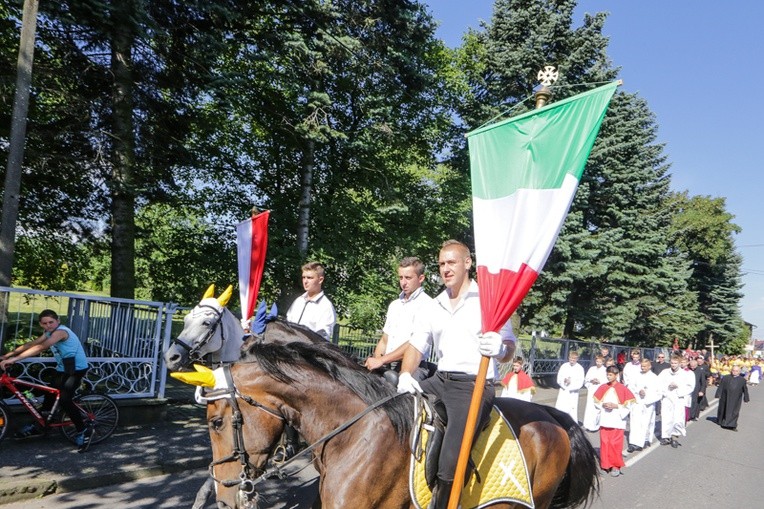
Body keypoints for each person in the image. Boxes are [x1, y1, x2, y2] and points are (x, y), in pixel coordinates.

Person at [396, 240, 516, 509]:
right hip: (440, 380)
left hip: (472, 386)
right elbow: (417, 345)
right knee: (391, 416)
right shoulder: (434, 304)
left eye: (451, 262)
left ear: (467, 263)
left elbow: (509, 347)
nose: (445, 269)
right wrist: (405, 374)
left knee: (450, 462)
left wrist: (499, 349)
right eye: (441, 264)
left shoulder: (489, 301)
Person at [0, 309, 91, 448]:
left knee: (65, 399)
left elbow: (41, 347)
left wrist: (15, 359)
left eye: (51, 322)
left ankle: (83, 430)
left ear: (58, 321)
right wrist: (8, 356)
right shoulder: (49, 332)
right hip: (63, 368)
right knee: (50, 393)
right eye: (45, 323)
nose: (48, 325)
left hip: (76, 370)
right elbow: (31, 344)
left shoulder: (61, 331)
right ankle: (41, 424)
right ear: (41, 324)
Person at [365, 257, 433, 381]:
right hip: (388, 363)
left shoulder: (427, 305)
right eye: (401, 277)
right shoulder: (395, 305)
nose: (403, 282)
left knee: (404, 396)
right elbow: (385, 340)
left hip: (414, 367)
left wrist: (381, 360)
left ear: (421, 278)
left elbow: (414, 344)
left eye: (408, 278)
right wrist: (376, 360)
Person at [593, 366, 635, 477]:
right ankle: (605, 465)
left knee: (614, 443)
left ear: (616, 375)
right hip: (605, 419)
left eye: (610, 375)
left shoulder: (623, 388)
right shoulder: (603, 387)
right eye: (607, 374)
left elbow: (629, 404)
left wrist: (616, 406)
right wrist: (603, 404)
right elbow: (596, 401)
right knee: (605, 443)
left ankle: (615, 466)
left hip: (617, 420)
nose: (608, 376)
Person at [285, 261, 337, 340]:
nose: (305, 281)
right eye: (303, 277)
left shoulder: (325, 307)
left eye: (309, 278)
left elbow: (322, 340)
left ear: (320, 280)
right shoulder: (298, 301)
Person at [657, 354, 695, 448]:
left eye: (675, 363)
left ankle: (675, 437)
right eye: (672, 363)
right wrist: (665, 390)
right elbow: (658, 383)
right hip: (667, 398)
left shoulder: (685, 374)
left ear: (679, 363)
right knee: (666, 418)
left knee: (678, 419)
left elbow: (690, 386)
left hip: (678, 398)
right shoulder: (665, 372)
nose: (673, 365)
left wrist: (678, 388)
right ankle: (666, 437)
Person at [626, 359, 660, 451]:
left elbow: (659, 392)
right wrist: (638, 391)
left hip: (647, 403)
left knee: (645, 423)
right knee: (634, 422)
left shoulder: (654, 377)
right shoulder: (636, 375)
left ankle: (642, 441)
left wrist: (647, 396)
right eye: (642, 366)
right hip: (637, 402)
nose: (643, 368)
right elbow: (630, 387)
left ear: (649, 366)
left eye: (645, 366)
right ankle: (633, 443)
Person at [715, 364, 750, 431]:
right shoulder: (726, 377)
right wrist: (718, 394)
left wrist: (746, 398)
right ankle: (722, 421)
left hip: (736, 399)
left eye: (736, 371)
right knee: (724, 409)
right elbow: (721, 386)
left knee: (734, 412)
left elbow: (745, 389)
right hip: (725, 396)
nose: (734, 372)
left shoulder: (742, 380)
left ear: (739, 372)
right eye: (733, 370)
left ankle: (732, 425)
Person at [555, 351, 585, 423]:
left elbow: (580, 382)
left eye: (574, 359)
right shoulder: (564, 366)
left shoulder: (580, 368)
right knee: (560, 407)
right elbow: (559, 377)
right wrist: (564, 381)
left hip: (573, 393)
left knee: (571, 409)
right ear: (569, 358)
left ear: (577, 359)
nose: (572, 360)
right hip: (563, 391)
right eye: (571, 358)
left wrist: (571, 383)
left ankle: (571, 423)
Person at [582, 355, 606, 432]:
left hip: (599, 390)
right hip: (592, 389)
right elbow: (587, 378)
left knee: (597, 408)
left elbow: (606, 381)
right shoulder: (592, 369)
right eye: (597, 361)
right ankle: (588, 425)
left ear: (603, 362)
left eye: (600, 362)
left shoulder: (605, 370)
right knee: (589, 407)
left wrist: (599, 381)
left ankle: (595, 426)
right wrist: (591, 380)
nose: (598, 363)